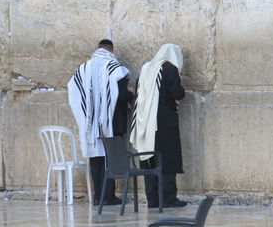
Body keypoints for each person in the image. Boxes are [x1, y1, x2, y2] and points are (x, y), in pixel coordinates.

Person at [68, 39, 134, 205]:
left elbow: (73, 91)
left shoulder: (83, 69)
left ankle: (98, 195)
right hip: (112, 122)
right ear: (111, 51)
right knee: (109, 157)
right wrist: (131, 92)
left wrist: (85, 116)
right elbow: (120, 96)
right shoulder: (115, 68)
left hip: (90, 123)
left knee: (95, 158)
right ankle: (108, 196)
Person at [130, 43, 187, 208]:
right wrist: (183, 89)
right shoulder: (169, 69)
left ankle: (153, 199)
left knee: (149, 160)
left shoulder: (147, 68)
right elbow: (177, 93)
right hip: (164, 124)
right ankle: (168, 199)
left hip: (145, 124)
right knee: (167, 160)